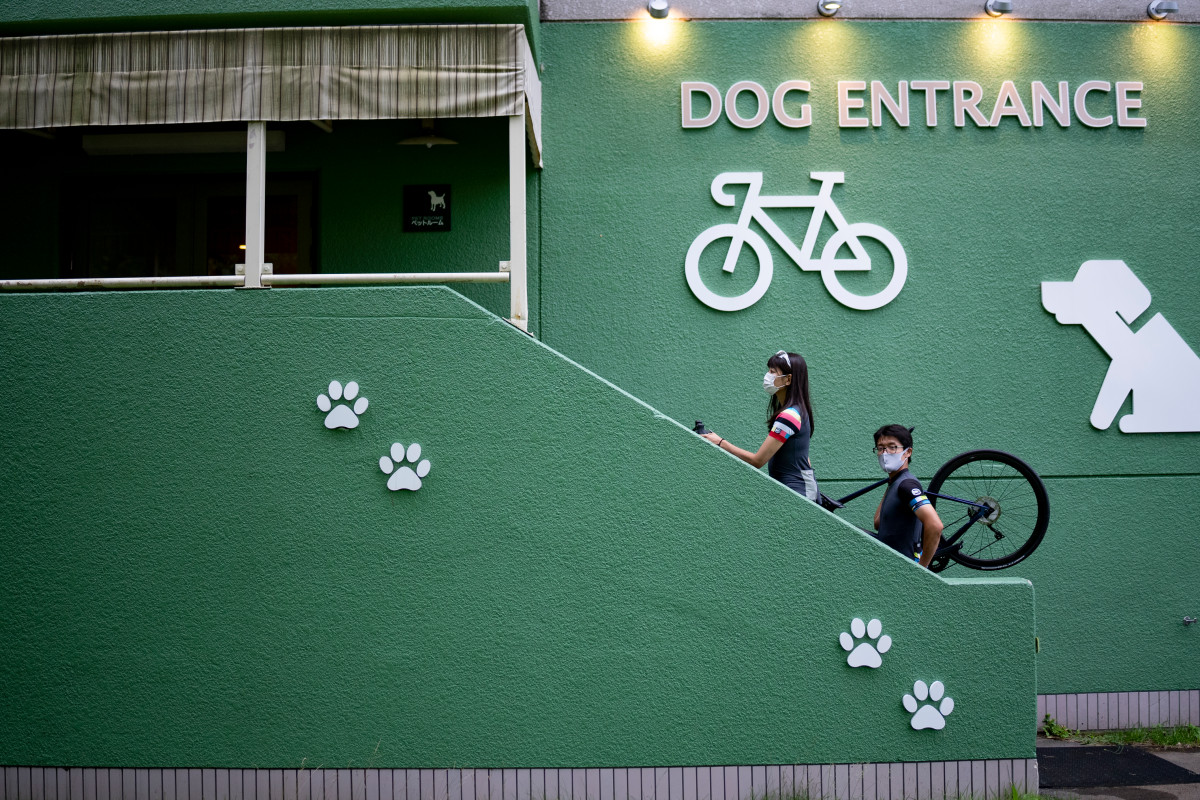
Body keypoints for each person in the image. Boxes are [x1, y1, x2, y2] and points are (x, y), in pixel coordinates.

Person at [700, 350, 819, 502]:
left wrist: (721, 443)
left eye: (773, 372)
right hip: (796, 491)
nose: (767, 376)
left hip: (799, 495)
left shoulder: (789, 416)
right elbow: (803, 457)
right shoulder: (797, 411)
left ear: (788, 379)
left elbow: (758, 461)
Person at [871, 425, 943, 568]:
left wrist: (922, 570)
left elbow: (935, 525)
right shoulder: (896, 483)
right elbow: (879, 523)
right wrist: (890, 482)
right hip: (890, 567)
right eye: (880, 448)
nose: (885, 453)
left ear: (907, 452)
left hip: (904, 569)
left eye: (892, 447)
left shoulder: (907, 485)